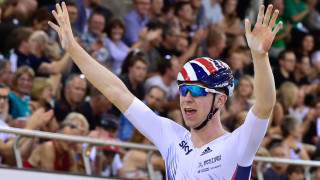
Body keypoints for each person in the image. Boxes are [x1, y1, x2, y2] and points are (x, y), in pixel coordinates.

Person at [49, 3, 280, 178]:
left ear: (220, 100)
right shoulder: (172, 136)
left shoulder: (237, 144)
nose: (187, 98)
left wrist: (259, 56)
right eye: (183, 90)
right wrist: (73, 49)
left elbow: (264, 104)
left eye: (197, 91)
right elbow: (116, 91)